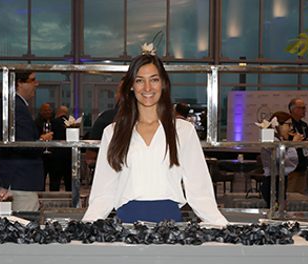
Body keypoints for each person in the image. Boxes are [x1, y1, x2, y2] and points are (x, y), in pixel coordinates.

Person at [83, 52, 227, 226]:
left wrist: (221, 225)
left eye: (154, 79)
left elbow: (199, 190)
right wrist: (86, 228)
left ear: (163, 84)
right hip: (127, 227)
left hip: (170, 227)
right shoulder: (113, 132)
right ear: (131, 86)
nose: (147, 88)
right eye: (139, 80)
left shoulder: (183, 131)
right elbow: (103, 193)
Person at [0, 72, 52, 211]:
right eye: (32, 80)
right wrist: (42, 141)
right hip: (20, 180)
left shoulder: (10, 104)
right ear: (19, 83)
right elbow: (22, 145)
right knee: (25, 225)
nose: (36, 84)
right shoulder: (15, 107)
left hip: (11, 177)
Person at [259, 111, 301, 208]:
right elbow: (280, 158)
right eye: (289, 125)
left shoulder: (281, 141)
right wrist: (292, 144)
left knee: (280, 211)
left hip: (280, 180)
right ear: (278, 125)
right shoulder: (271, 140)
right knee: (275, 212)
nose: (291, 128)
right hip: (272, 181)